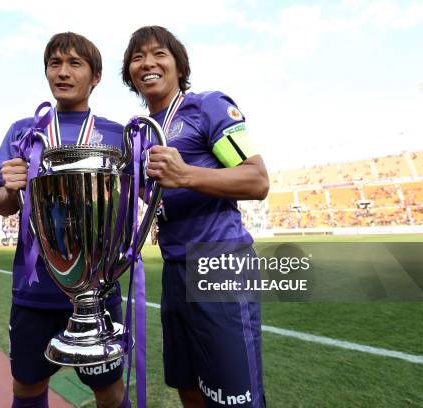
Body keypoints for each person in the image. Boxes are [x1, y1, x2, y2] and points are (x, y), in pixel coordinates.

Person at [122, 26, 270, 407]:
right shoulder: (137, 135)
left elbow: (257, 179)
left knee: (235, 398)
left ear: (178, 64)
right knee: (190, 388)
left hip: (220, 264)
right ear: (130, 73)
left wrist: (186, 174)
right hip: (174, 269)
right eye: (137, 57)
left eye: (159, 54)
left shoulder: (209, 106)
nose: (148, 63)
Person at [0, 32, 128, 408]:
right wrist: (10, 189)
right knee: (27, 388)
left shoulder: (118, 134)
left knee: (111, 394)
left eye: (74, 64)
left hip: (97, 292)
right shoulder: (23, 130)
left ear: (95, 76)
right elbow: (2, 205)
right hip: (34, 293)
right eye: (55, 64)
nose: (62, 73)